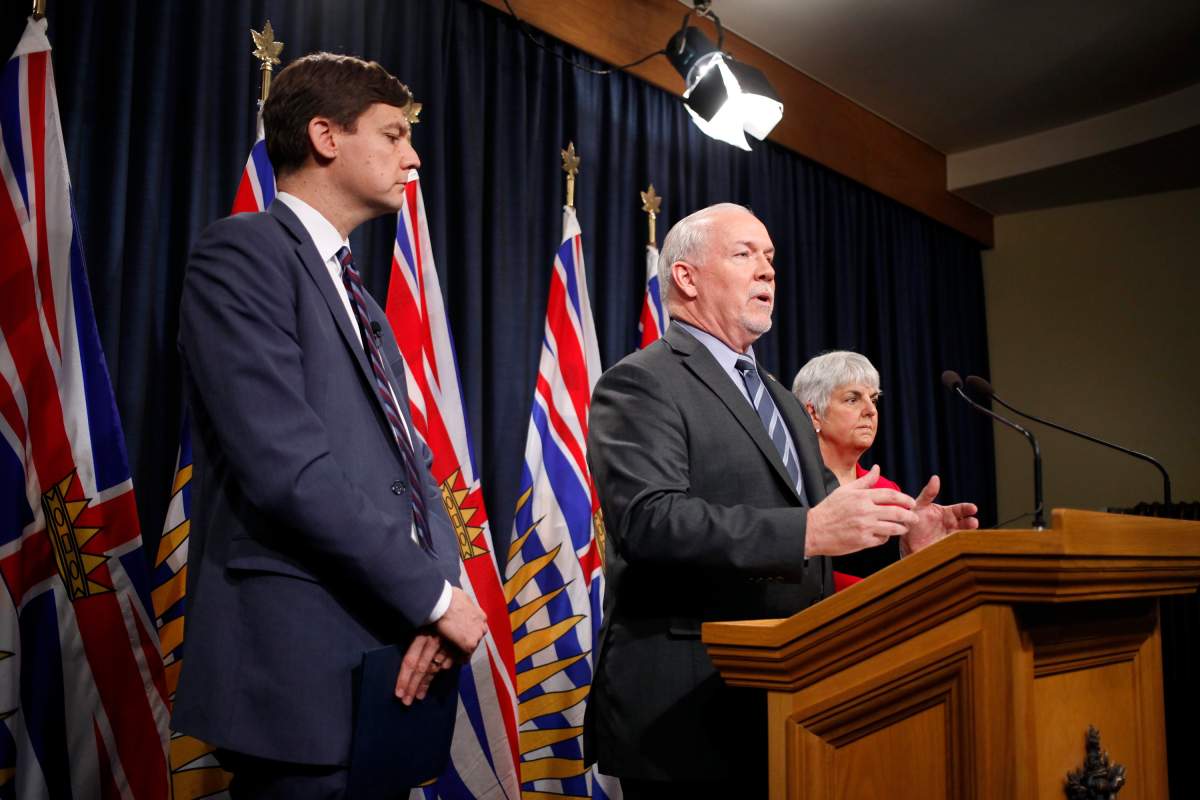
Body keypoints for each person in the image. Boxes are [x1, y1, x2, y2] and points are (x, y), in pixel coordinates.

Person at [584, 203, 978, 798]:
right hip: (687, 712)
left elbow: (821, 527)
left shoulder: (780, 398)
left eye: (769, 257)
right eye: (744, 254)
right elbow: (649, 521)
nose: (767, 270)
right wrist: (807, 532)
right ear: (686, 277)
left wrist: (902, 541)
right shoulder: (641, 381)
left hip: (789, 699)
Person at [173, 53, 488, 798]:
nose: (413, 157)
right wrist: (437, 600)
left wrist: (438, 598)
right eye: (394, 134)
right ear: (325, 136)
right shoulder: (243, 254)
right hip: (298, 673)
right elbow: (288, 470)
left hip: (389, 662)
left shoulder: (360, 298)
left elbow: (413, 470)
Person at [793, 350, 904, 580]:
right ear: (813, 414)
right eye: (852, 400)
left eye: (873, 399)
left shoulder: (887, 491)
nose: (871, 411)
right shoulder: (791, 486)